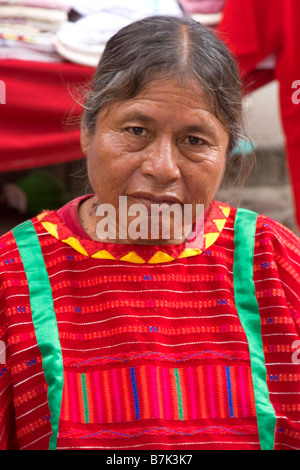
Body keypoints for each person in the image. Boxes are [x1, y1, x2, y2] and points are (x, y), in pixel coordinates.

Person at [0, 15, 299, 451]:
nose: (162, 168)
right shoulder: (12, 276)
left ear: (227, 150)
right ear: (88, 130)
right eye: (136, 131)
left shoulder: (276, 262)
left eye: (195, 140)